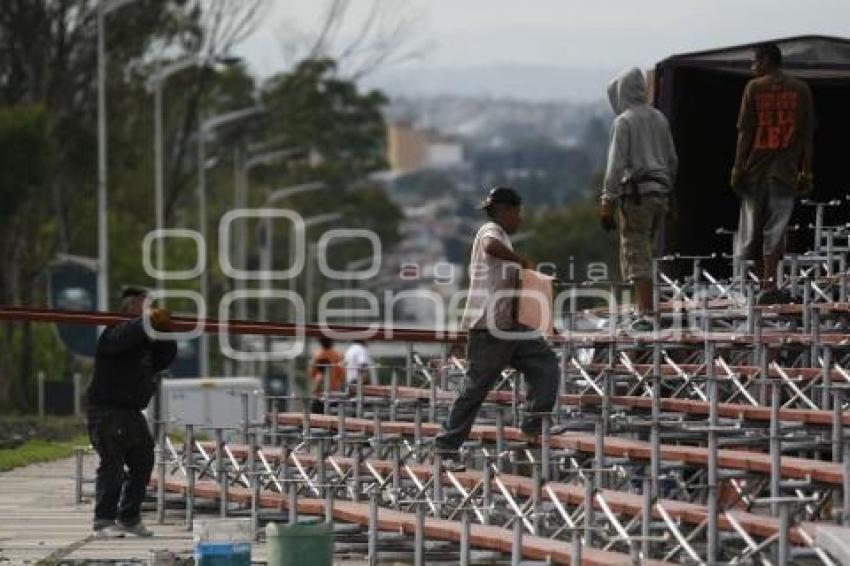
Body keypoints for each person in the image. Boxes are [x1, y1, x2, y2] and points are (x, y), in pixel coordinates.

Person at [435, 186, 560, 471]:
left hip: (511, 326)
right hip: (489, 328)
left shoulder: (504, 237)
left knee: (545, 364)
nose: (521, 219)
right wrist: (520, 260)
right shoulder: (490, 231)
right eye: (518, 213)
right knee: (475, 387)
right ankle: (446, 446)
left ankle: (533, 425)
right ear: (506, 211)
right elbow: (491, 247)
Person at [86, 288, 177, 538]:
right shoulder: (113, 333)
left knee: (143, 462)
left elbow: (165, 358)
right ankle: (103, 520)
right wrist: (146, 322)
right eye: (144, 305)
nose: (150, 309)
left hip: (132, 411)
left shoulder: (145, 341)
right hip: (107, 409)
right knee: (112, 465)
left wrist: (166, 331)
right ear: (130, 308)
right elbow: (128, 334)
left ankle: (129, 517)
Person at [731, 42, 815, 304]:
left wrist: (737, 166)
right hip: (785, 173)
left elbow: (745, 133)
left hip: (755, 171)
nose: (753, 66)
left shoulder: (753, 89)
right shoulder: (801, 89)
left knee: (754, 231)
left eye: (756, 60)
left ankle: (765, 284)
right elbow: (806, 135)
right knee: (776, 230)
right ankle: (769, 284)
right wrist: (806, 170)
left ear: (767, 59)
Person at [600, 67, 678, 332]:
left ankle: (645, 314)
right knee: (647, 252)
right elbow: (672, 161)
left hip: (636, 195)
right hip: (659, 194)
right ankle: (643, 307)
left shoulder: (624, 122)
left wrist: (607, 202)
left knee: (636, 253)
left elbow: (616, 165)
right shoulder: (659, 118)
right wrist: (670, 197)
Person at [308, 336, 345, 413]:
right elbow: (342, 374)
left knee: (315, 420)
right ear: (331, 342)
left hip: (319, 394)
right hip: (334, 394)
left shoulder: (316, 356)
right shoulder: (337, 356)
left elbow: (312, 374)